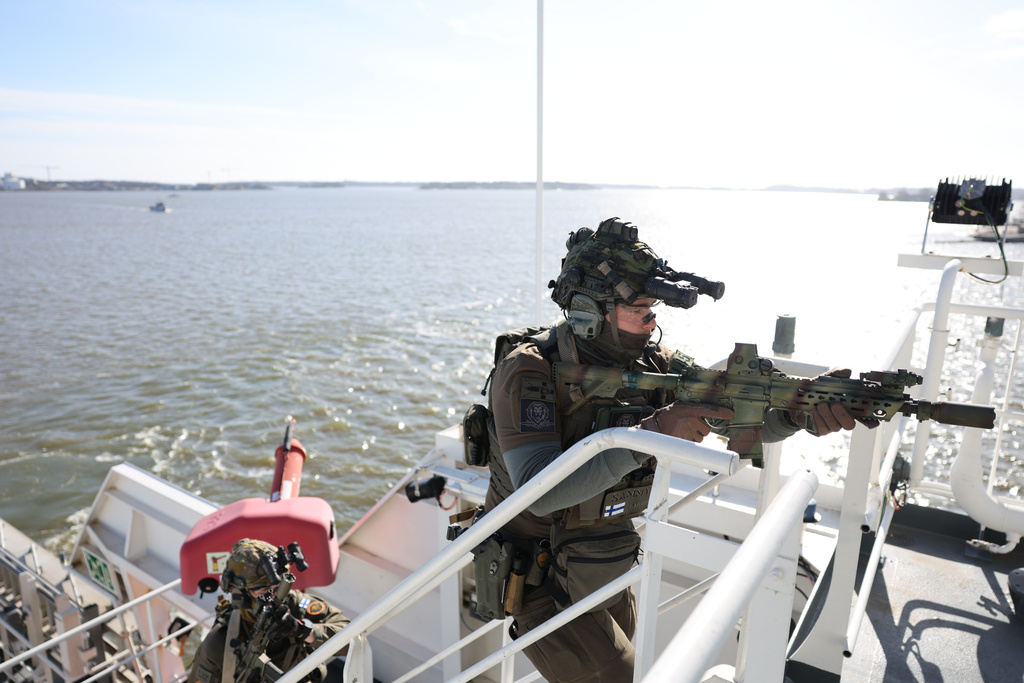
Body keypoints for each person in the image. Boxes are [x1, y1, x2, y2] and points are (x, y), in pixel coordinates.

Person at [483, 217, 864, 682]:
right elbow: (539, 491)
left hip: (605, 557)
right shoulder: (530, 369)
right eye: (639, 310)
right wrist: (654, 430)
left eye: (654, 310)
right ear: (587, 312)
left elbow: (734, 420)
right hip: (537, 572)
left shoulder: (653, 362)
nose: (652, 323)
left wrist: (795, 415)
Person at [187, 538, 350, 683]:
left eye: (277, 587)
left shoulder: (295, 604)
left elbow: (352, 637)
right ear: (242, 594)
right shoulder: (219, 642)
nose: (274, 595)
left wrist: (305, 631)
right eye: (263, 590)